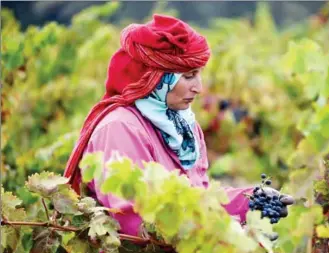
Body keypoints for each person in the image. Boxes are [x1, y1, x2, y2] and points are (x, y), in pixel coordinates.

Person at [64, 14, 294, 239]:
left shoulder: (182, 125)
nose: (199, 87)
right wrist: (228, 232)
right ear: (156, 79)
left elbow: (197, 198)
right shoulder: (120, 128)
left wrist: (250, 200)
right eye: (188, 76)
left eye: (199, 74)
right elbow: (135, 220)